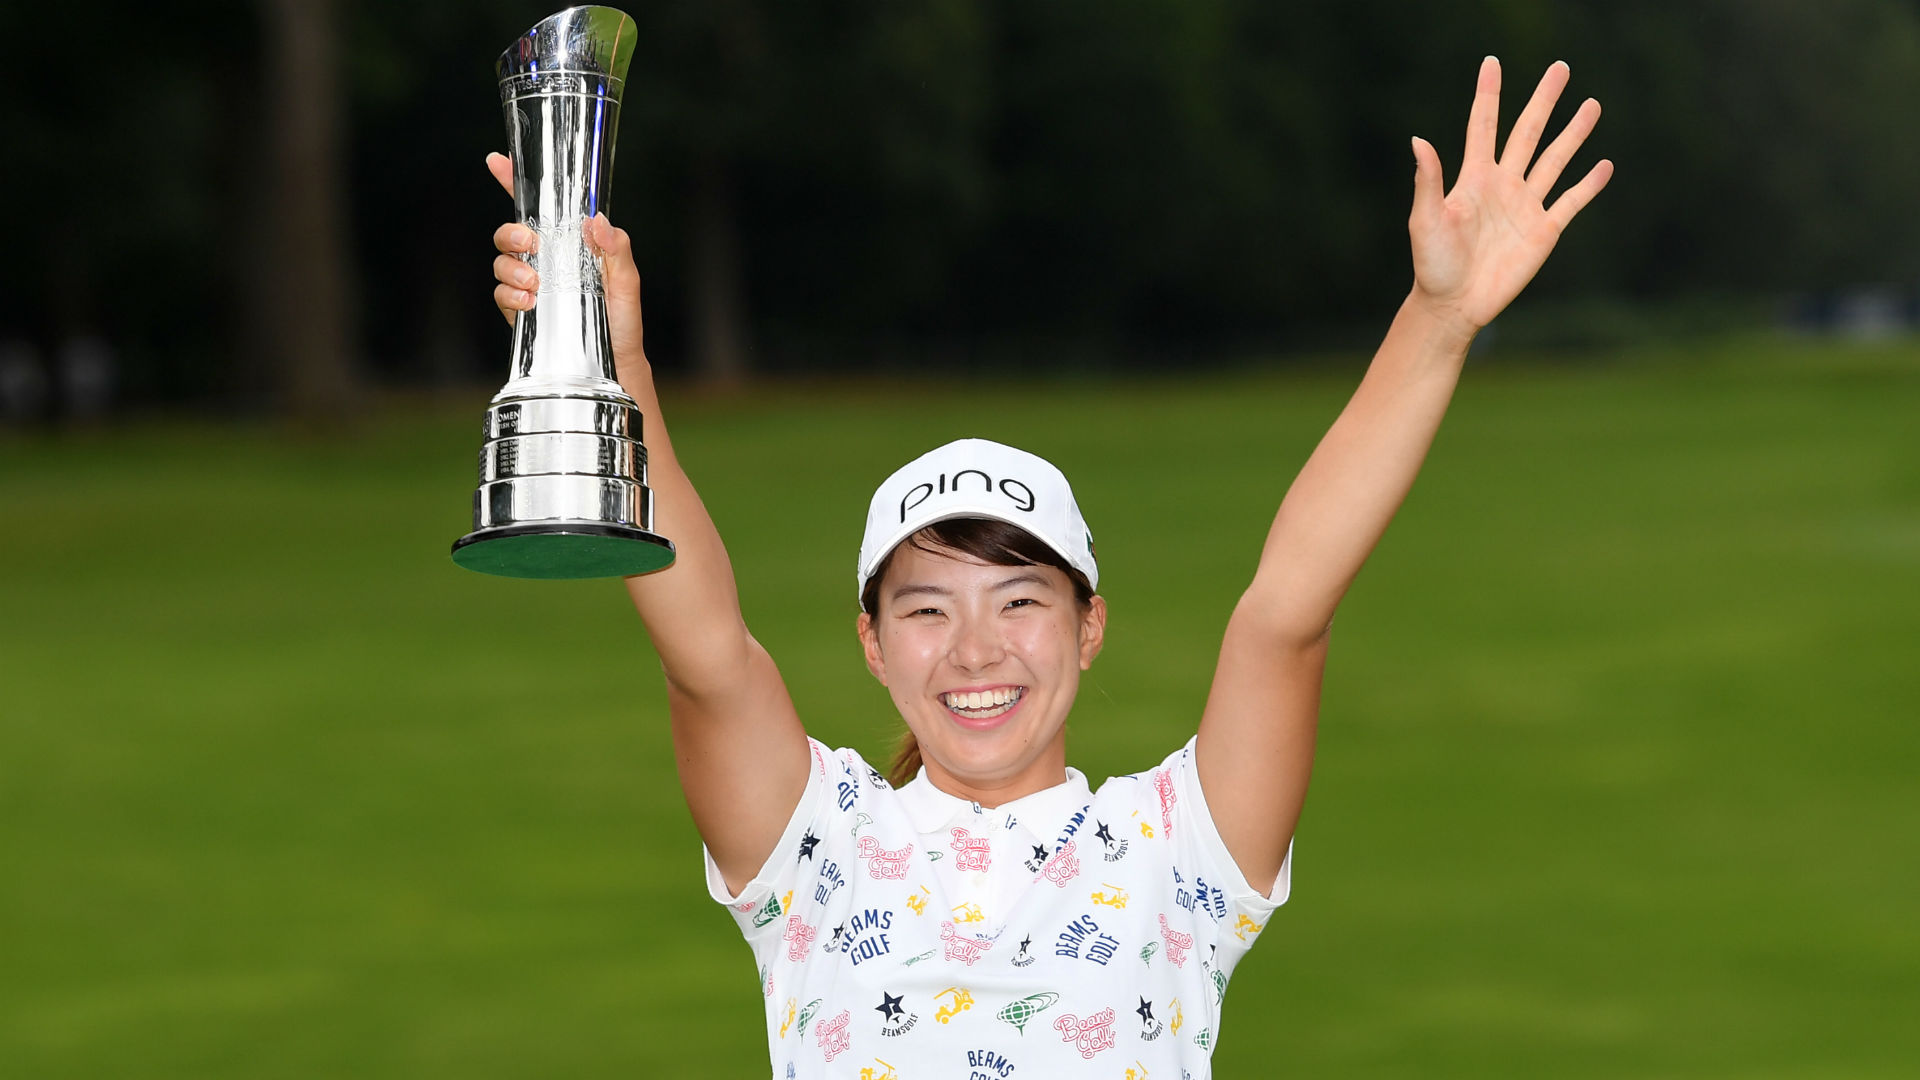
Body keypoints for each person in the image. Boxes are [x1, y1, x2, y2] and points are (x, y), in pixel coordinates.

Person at [485, 57, 1610, 1078]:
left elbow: (1287, 611)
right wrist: (612, 362)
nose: (977, 650)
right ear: (872, 643)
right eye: (927, 608)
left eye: (1021, 600)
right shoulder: (818, 848)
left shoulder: (1177, 853)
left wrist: (1439, 319)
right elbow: (708, 655)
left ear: (1088, 627)